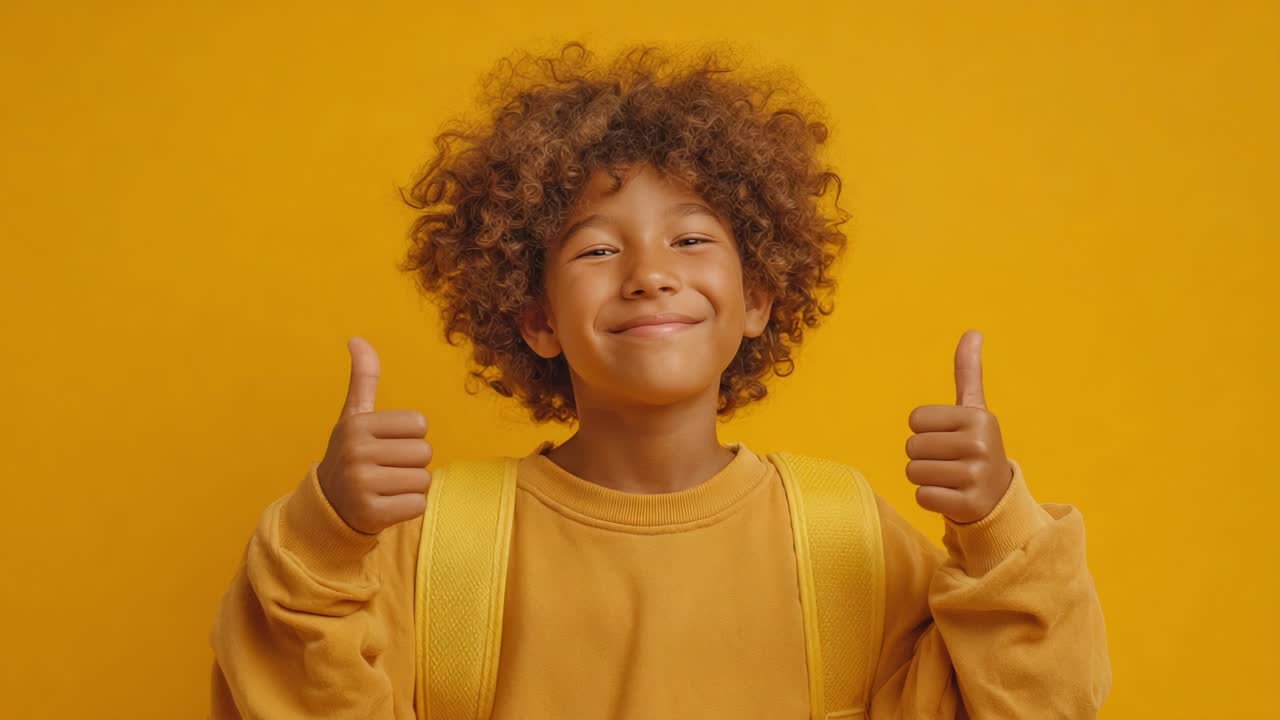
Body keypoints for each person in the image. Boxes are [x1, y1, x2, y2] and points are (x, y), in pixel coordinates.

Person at [209, 41, 1111, 718]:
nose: (649, 272)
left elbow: (1038, 704)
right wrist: (324, 539)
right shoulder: (440, 544)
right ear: (536, 319)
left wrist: (997, 531)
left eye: (690, 239)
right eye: (598, 248)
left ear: (756, 296)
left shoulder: (844, 538)